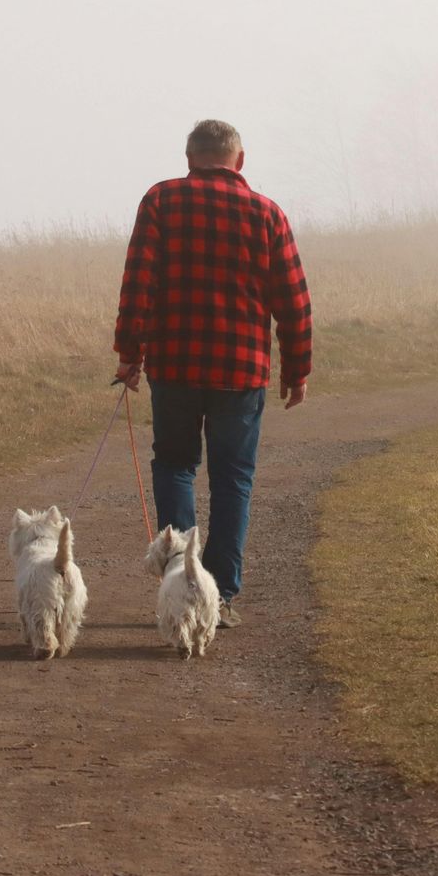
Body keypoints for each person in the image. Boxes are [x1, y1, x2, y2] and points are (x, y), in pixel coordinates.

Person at [112, 119, 313, 627]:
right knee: (232, 481)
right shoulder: (268, 214)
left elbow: (138, 283)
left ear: (188, 158)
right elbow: (293, 301)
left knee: (176, 466)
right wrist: (297, 369)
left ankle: (181, 583)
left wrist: (129, 352)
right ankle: (219, 596)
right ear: (239, 161)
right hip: (241, 370)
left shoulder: (160, 201)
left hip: (175, 364)